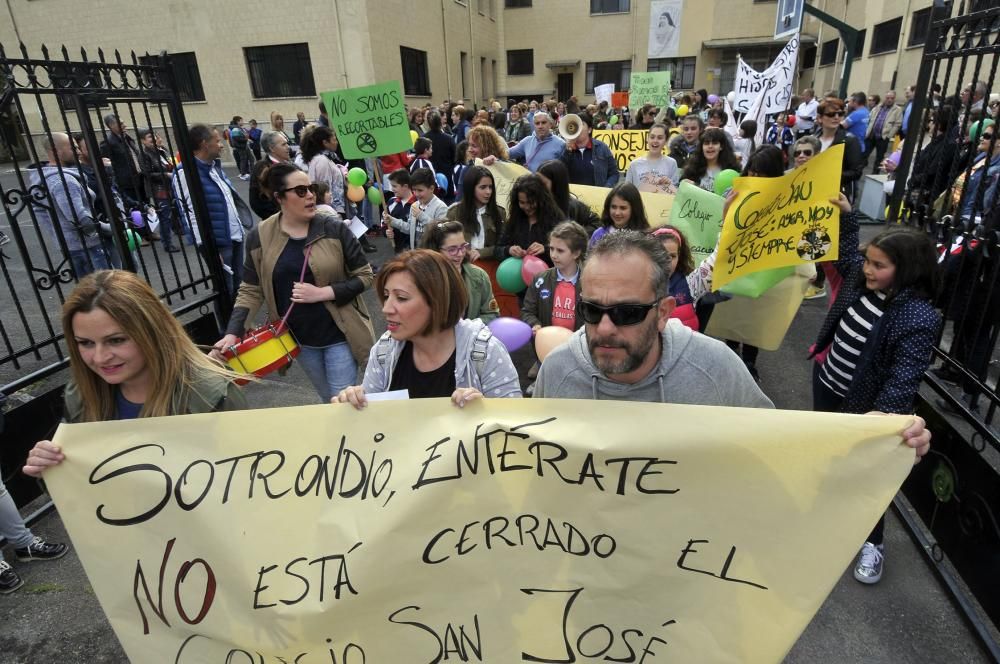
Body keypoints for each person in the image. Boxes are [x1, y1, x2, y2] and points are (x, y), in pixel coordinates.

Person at [811, 195, 941, 585]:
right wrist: (848, 219)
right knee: (826, 456)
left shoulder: (917, 316)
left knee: (867, 476)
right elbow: (846, 255)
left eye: (878, 265)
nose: (867, 269)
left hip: (865, 409)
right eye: (869, 261)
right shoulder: (861, 278)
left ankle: (873, 541)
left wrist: (880, 420)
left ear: (906, 270)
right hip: (827, 383)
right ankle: (825, 516)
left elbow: (905, 375)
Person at [24, 268, 247, 469]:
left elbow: (252, 483)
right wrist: (51, 468)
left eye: (116, 340)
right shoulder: (81, 394)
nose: (100, 358)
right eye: (86, 343)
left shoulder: (212, 396)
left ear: (152, 332)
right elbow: (81, 490)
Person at [213, 163, 375, 403]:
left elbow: (365, 275)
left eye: (310, 188)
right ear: (279, 197)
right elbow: (250, 288)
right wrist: (232, 332)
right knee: (327, 398)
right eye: (300, 191)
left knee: (341, 399)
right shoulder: (260, 235)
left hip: (340, 332)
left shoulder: (333, 228)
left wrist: (323, 293)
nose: (310, 195)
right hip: (299, 338)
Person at [333, 250, 521, 407]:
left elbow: (514, 429)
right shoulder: (384, 351)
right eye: (386, 295)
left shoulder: (485, 352)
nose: (386, 309)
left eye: (402, 298)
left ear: (437, 301)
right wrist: (353, 406)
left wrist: (486, 411)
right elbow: (370, 429)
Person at [172, 124, 254, 298]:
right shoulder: (186, 173)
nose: (222, 144)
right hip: (218, 243)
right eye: (217, 141)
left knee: (239, 286)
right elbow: (189, 214)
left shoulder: (213, 167)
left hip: (233, 236)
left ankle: (241, 324)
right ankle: (228, 325)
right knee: (225, 290)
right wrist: (209, 249)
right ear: (204, 144)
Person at [30, 132, 111, 277]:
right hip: (86, 246)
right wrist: (111, 228)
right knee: (104, 291)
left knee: (90, 293)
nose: (78, 152)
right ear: (55, 151)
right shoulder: (63, 181)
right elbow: (80, 218)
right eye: (73, 148)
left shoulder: (47, 176)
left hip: (73, 245)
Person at [421, 220, 499, 323]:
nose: (460, 254)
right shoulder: (422, 278)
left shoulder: (479, 276)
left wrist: (467, 328)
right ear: (435, 250)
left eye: (463, 247)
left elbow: (492, 314)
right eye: (452, 249)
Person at [521, 220, 588, 334]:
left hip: (577, 346)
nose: (553, 255)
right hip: (547, 345)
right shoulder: (540, 279)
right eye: (551, 248)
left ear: (576, 253)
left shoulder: (589, 283)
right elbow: (527, 311)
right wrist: (535, 324)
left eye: (560, 251)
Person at [498, 174, 564, 268]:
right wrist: (508, 250)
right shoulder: (514, 220)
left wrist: (546, 249)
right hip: (518, 278)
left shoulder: (556, 220)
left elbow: (567, 250)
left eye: (531, 202)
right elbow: (497, 249)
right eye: (522, 203)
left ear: (541, 199)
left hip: (547, 277)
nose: (527, 207)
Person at [816, 97, 865, 202]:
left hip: (838, 194)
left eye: (840, 114)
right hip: (814, 191)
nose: (836, 117)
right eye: (831, 114)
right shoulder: (813, 139)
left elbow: (856, 172)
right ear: (820, 118)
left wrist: (829, 176)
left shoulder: (850, 140)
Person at [385, 168, 448, 250]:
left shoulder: (440, 207)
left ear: (432, 188)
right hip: (416, 252)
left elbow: (441, 230)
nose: (416, 194)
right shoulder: (415, 205)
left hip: (432, 255)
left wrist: (421, 216)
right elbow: (409, 228)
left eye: (420, 190)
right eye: (414, 190)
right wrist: (393, 221)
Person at [138, 129, 179, 252]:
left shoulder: (160, 151)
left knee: (172, 212)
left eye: (155, 136)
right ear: (143, 141)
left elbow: (169, 164)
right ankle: (167, 243)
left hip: (170, 186)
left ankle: (176, 231)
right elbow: (147, 174)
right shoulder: (144, 154)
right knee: (164, 215)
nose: (154, 139)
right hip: (159, 189)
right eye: (150, 137)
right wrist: (166, 174)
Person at [651, 226, 698, 330]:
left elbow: (716, 261)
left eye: (672, 256)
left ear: (679, 256)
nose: (667, 261)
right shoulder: (638, 283)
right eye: (661, 254)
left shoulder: (692, 281)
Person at [536, 160, 600, 233]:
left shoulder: (573, 206)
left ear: (556, 184)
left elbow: (597, 223)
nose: (538, 186)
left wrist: (576, 236)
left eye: (543, 183)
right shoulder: (532, 201)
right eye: (536, 181)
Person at [99, 114, 145, 212]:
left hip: (140, 181)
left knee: (147, 208)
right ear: (111, 126)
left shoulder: (128, 138)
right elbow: (106, 165)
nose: (124, 125)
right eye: (120, 123)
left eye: (123, 123)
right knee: (136, 212)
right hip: (127, 185)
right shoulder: (108, 143)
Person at [559, 113, 619, 187]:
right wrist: (567, 152)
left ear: (589, 130)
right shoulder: (565, 149)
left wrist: (606, 188)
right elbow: (559, 173)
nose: (578, 128)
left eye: (582, 124)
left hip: (597, 195)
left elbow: (614, 174)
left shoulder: (602, 147)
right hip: (574, 196)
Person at [301, 125, 347, 218]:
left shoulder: (325, 159)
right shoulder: (322, 161)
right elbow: (325, 189)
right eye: (334, 140)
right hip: (331, 212)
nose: (337, 143)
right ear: (325, 142)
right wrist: (334, 214)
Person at [680, 127, 741, 193]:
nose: (710, 146)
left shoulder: (732, 169)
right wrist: (685, 184)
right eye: (706, 143)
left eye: (714, 143)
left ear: (721, 147)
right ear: (702, 147)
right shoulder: (692, 169)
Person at [589, 182, 651, 248]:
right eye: (613, 207)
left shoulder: (644, 238)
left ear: (634, 209)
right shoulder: (598, 234)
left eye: (623, 208)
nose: (617, 213)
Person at [249, 131, 294, 220]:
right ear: (272, 148)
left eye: (287, 143)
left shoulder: (292, 165)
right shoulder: (261, 168)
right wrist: (282, 217)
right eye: (283, 144)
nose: (288, 147)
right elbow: (256, 202)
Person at [626, 123, 678, 195]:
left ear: (666, 141)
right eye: (652, 137)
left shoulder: (671, 163)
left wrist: (669, 184)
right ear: (647, 139)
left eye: (660, 138)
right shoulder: (634, 164)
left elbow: (675, 193)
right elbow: (627, 192)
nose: (655, 140)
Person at [865, 91, 902, 173]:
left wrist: (889, 136)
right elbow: (869, 118)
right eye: (888, 98)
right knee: (864, 155)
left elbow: (898, 124)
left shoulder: (897, 109)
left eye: (892, 98)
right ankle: (857, 173)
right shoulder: (878, 107)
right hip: (871, 135)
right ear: (884, 98)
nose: (889, 100)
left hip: (883, 138)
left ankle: (874, 176)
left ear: (894, 99)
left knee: (879, 159)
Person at [383, 168, 417, 254]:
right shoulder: (391, 202)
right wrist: (386, 232)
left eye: (394, 186)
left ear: (405, 186)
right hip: (398, 249)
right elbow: (384, 223)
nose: (392, 189)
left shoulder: (418, 203)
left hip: (416, 249)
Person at [425, 111, 457, 199]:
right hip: (447, 173)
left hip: (430, 175)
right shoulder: (449, 138)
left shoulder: (424, 138)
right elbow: (455, 157)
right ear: (440, 122)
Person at [228, 116, 252, 181]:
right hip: (240, 147)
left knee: (245, 159)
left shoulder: (239, 128)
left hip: (242, 146)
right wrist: (246, 139)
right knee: (243, 160)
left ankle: (246, 173)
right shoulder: (235, 129)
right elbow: (237, 138)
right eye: (241, 120)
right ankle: (243, 174)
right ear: (238, 121)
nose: (243, 122)